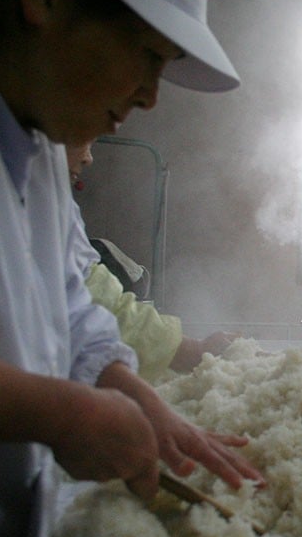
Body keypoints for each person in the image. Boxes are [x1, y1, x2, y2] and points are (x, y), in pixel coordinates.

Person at [0, 0, 261, 537]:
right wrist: (61, 416)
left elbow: (66, 302)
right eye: (147, 55)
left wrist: (135, 394)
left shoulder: (36, 137)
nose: (150, 96)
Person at [67, 141, 238, 380]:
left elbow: (91, 295)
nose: (88, 159)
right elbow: (89, 300)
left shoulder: (49, 199)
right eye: (83, 140)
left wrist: (192, 350)